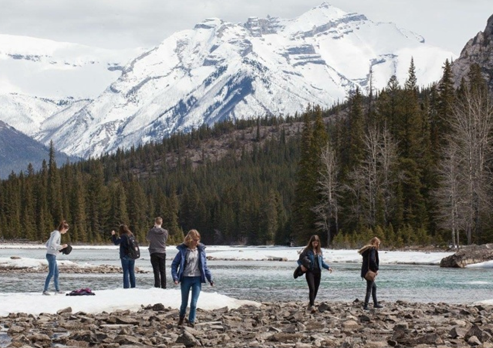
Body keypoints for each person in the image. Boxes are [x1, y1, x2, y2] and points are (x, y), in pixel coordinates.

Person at [171, 229, 213, 327]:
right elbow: (174, 265)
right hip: (185, 278)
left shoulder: (201, 251)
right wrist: (175, 277)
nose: (197, 242)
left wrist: (210, 279)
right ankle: (181, 317)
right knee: (184, 303)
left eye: (198, 240)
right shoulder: (183, 251)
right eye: (195, 240)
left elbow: (204, 266)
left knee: (193, 303)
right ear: (190, 240)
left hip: (197, 279)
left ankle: (191, 321)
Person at [298, 235, 332, 312]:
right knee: (312, 288)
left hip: (318, 272)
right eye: (314, 242)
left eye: (317, 243)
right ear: (311, 242)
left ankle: (310, 303)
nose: (315, 244)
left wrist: (328, 267)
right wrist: (301, 266)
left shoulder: (320, 251)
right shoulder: (307, 250)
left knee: (316, 289)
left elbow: (322, 262)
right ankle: (312, 305)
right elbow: (299, 260)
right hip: (310, 272)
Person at [43, 220, 69, 295]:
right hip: (51, 256)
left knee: (56, 273)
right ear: (63, 228)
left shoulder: (54, 233)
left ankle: (57, 290)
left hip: (51, 255)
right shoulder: (57, 234)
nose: (66, 232)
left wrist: (58, 250)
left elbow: (47, 244)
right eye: (66, 230)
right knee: (51, 273)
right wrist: (62, 246)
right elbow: (52, 244)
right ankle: (45, 291)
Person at [358, 236, 382, 310]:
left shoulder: (367, 250)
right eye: (378, 244)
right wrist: (376, 269)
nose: (379, 246)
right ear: (376, 243)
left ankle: (375, 303)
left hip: (365, 271)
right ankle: (365, 305)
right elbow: (372, 260)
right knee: (369, 288)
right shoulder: (372, 249)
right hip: (370, 272)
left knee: (373, 287)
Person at [146, 217, 169, 288]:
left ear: (155, 222)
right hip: (162, 251)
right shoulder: (165, 232)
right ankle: (164, 286)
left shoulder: (152, 231)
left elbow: (148, 238)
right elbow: (165, 239)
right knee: (163, 270)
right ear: (161, 223)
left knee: (156, 270)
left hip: (154, 251)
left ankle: (157, 285)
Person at [112, 224, 136, 289]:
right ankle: (133, 286)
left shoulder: (123, 236)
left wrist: (113, 235)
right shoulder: (131, 235)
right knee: (131, 271)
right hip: (132, 255)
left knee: (126, 271)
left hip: (125, 256)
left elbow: (116, 242)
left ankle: (126, 287)